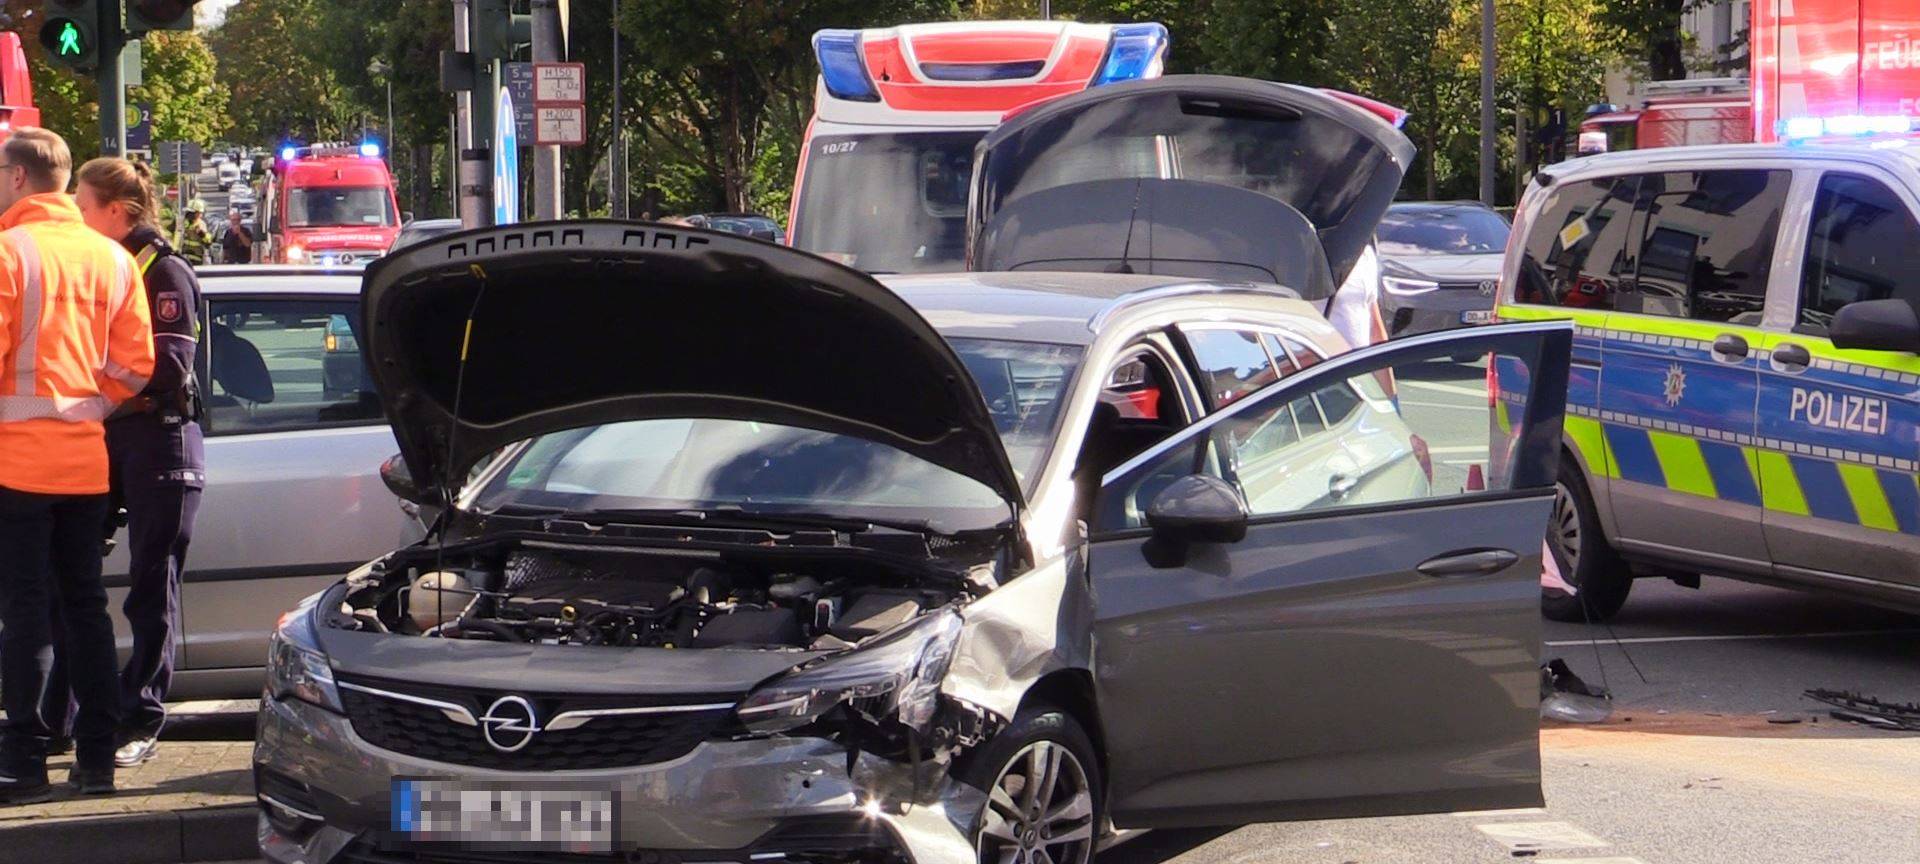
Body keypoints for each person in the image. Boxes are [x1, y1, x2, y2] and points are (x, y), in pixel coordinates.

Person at [0, 127, 154, 802]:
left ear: (16, 178)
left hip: (15, 465)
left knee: (26, 612)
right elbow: (136, 365)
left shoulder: (7, 253)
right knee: (87, 609)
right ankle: (96, 757)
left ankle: (24, 762)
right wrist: (88, 404)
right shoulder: (114, 259)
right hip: (85, 465)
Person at [72, 157, 205, 768]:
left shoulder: (163, 269)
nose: (75, 213)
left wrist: (91, 388)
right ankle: (70, 715)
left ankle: (142, 714)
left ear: (117, 213)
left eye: (83, 204)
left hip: (159, 438)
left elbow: (169, 367)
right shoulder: (104, 267)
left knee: (151, 586)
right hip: (110, 437)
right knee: (71, 579)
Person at [175, 199, 212, 265]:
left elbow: (208, 242)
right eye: (188, 212)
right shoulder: (183, 224)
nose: (188, 215)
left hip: (197, 260)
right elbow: (177, 239)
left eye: (191, 213)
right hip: (183, 258)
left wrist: (201, 233)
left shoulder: (201, 224)